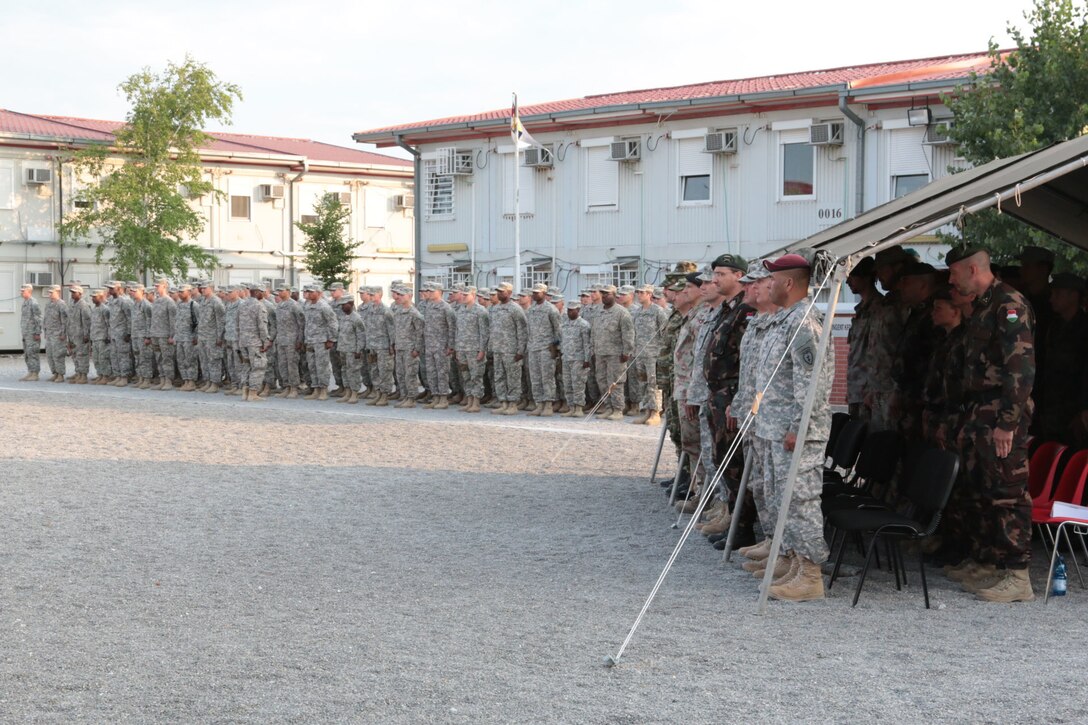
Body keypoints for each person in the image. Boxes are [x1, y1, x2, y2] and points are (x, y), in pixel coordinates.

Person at [946, 245, 1036, 603]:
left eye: (953, 272)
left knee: (1008, 491)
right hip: (980, 411)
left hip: (1001, 414)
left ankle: (1017, 574)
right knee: (983, 488)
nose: (949, 279)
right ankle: (990, 561)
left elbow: (1021, 367)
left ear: (971, 270)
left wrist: (1008, 422)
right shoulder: (984, 305)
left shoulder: (1009, 305)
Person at [753, 253, 833, 602]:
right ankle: (792, 561)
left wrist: (797, 427)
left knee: (800, 501)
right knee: (780, 498)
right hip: (775, 427)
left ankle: (811, 575)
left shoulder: (804, 324)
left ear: (788, 283)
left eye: (771, 279)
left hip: (796, 430)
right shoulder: (787, 320)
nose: (766, 285)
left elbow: (812, 383)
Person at [700, 254, 754, 544]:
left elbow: (747, 362)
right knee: (723, 458)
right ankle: (734, 521)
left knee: (735, 463)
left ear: (738, 276)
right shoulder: (727, 310)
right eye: (715, 273)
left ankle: (743, 528)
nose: (715, 279)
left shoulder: (745, 311)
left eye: (721, 274)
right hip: (717, 396)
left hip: (731, 397)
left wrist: (738, 399)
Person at [590, 284, 634, 421]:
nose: (604, 296)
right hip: (600, 352)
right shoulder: (597, 311)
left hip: (616, 354)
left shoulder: (622, 312)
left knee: (615, 382)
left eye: (607, 294)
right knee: (602, 381)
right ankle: (608, 407)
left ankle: (618, 409)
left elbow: (628, 333)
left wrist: (627, 351)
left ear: (614, 295)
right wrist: (593, 349)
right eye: (602, 293)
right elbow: (593, 332)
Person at [844, 257, 879, 420]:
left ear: (866, 277)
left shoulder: (879, 308)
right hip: (857, 390)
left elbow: (879, 353)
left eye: (853, 276)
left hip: (869, 392)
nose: (848, 282)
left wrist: (872, 389)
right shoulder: (861, 309)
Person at [631, 283, 669, 425]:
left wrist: (662, 351)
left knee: (654, 383)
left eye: (642, 292)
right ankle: (646, 410)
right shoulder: (637, 312)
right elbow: (634, 333)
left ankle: (656, 412)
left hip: (654, 354)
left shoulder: (658, 311)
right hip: (640, 353)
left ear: (649, 294)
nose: (639, 295)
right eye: (638, 292)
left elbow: (665, 333)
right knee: (643, 382)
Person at [488, 282, 528, 416]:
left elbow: (522, 331)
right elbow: (492, 329)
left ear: (509, 293)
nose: (499, 294)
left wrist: (520, 351)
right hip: (498, 349)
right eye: (498, 291)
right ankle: (503, 402)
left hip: (511, 350)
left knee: (513, 378)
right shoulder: (495, 309)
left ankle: (513, 404)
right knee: (499, 377)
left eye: (502, 291)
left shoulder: (515, 309)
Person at [525, 282, 562, 417]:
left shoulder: (551, 309)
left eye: (537, 292)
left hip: (546, 348)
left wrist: (557, 349)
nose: (534, 295)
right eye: (533, 292)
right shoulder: (531, 309)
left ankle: (548, 405)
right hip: (533, 348)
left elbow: (558, 331)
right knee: (535, 378)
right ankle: (539, 404)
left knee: (547, 378)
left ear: (544, 294)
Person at [454, 286, 490, 413]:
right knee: (466, 375)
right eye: (462, 294)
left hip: (474, 349)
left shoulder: (481, 311)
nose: (463, 297)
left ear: (473, 295)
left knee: (476, 376)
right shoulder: (460, 310)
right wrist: (457, 349)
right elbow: (457, 331)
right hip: (462, 349)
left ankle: (476, 402)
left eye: (466, 295)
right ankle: (469, 400)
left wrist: (482, 350)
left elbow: (484, 333)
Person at [421, 281, 456, 409]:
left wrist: (450, 346)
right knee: (431, 372)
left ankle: (443, 398)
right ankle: (435, 397)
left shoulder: (445, 307)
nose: (428, 293)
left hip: (441, 346)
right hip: (429, 345)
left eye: (432, 291)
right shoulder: (428, 306)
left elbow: (452, 328)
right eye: (428, 291)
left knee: (442, 373)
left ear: (439, 292)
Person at [303, 284, 338, 401]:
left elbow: (332, 323)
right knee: (312, 365)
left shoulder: (324, 306)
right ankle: (316, 388)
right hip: (310, 340)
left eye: (312, 292)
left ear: (319, 293)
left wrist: (331, 339)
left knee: (321, 366)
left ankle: (323, 389)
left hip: (321, 340)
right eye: (308, 292)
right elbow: (307, 324)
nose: (309, 294)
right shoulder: (307, 306)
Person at [236, 282, 271, 401]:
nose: (264, 294)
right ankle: (253, 393)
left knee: (246, 366)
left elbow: (237, 325)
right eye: (262, 292)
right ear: (257, 292)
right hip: (255, 342)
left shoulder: (242, 304)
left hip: (243, 341)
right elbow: (262, 326)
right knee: (258, 366)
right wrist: (265, 342)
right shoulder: (259, 306)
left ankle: (245, 391)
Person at [391, 285, 424, 408]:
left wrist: (417, 349)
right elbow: (396, 330)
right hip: (400, 347)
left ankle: (411, 398)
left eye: (401, 295)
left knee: (410, 374)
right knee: (400, 373)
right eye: (397, 294)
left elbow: (420, 333)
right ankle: (404, 396)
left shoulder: (414, 313)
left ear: (409, 296)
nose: (398, 297)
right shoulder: (398, 311)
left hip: (410, 349)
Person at [363, 286, 396, 406]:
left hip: (384, 346)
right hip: (372, 346)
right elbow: (367, 328)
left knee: (384, 371)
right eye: (370, 295)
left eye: (373, 295)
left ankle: (385, 395)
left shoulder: (386, 311)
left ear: (380, 295)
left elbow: (392, 330)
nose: (371, 297)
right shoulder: (369, 309)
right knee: (374, 370)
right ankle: (377, 393)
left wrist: (392, 345)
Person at [560, 301, 592, 418]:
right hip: (566, 358)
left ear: (578, 310)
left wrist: (586, 360)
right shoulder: (564, 324)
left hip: (579, 359)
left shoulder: (584, 325)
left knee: (578, 384)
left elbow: (587, 344)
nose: (570, 312)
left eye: (572, 310)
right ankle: (571, 407)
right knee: (567, 384)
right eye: (568, 310)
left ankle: (578, 408)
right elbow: (562, 341)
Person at [274, 284, 305, 399]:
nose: (279, 293)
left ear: (288, 291)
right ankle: (286, 387)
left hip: (292, 340)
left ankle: (294, 388)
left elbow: (301, 324)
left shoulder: (294, 305)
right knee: (282, 364)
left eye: (282, 291)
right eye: (279, 291)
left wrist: (300, 340)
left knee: (292, 364)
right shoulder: (279, 305)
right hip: (281, 339)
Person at [336, 297, 366, 404]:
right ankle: (347, 391)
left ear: (351, 304)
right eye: (341, 305)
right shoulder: (343, 317)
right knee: (344, 371)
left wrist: (359, 350)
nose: (343, 307)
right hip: (343, 349)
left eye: (344, 304)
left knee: (353, 371)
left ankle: (354, 393)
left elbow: (361, 335)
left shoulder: (357, 318)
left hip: (353, 350)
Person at [150, 278, 177, 391]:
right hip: (156, 334)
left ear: (164, 286)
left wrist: (172, 335)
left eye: (158, 286)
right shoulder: (156, 301)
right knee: (159, 358)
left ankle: (168, 380)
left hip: (165, 335)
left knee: (167, 359)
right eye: (155, 286)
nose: (156, 288)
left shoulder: (169, 302)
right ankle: (162, 379)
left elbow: (173, 320)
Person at [172, 284, 199, 391]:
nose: (180, 294)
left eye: (182, 292)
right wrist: (175, 336)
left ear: (189, 292)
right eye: (179, 292)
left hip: (189, 337)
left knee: (190, 360)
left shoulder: (194, 305)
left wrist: (196, 336)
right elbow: (177, 321)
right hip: (179, 337)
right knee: (181, 360)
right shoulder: (179, 304)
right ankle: (185, 380)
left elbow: (198, 322)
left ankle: (191, 381)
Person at [65, 284, 92, 383]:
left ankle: (83, 376)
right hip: (73, 335)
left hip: (81, 335)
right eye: (71, 292)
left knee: (82, 355)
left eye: (74, 292)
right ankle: (78, 373)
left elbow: (87, 321)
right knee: (75, 355)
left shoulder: (83, 305)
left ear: (80, 293)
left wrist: (86, 335)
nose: (72, 294)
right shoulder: (72, 304)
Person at [129, 283, 154, 389]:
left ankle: (147, 379)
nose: (133, 293)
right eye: (132, 291)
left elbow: (150, 321)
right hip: (135, 335)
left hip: (143, 336)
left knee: (145, 358)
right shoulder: (134, 304)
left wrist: (148, 337)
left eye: (135, 291)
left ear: (142, 292)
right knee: (138, 357)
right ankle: (140, 378)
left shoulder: (146, 305)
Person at [42, 284, 68, 382]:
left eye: (51, 292)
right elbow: (46, 319)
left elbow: (65, 321)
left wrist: (63, 333)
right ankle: (55, 373)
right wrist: (45, 331)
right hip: (49, 334)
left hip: (58, 334)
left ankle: (60, 374)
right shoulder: (48, 304)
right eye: (49, 292)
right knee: (50, 354)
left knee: (58, 355)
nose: (49, 294)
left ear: (58, 292)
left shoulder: (62, 304)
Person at [19, 283, 42, 381]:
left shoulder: (33, 303)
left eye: (23, 291)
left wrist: (37, 332)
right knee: (27, 353)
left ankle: (35, 373)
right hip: (26, 333)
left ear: (29, 291)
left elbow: (38, 318)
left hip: (32, 333)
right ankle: (30, 371)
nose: (21, 292)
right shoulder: (25, 302)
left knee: (33, 353)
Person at [89, 288, 112, 383]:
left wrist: (108, 336)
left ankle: (106, 376)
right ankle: (100, 375)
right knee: (96, 359)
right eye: (92, 297)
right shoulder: (94, 309)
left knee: (103, 358)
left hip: (103, 338)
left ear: (101, 297)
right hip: (95, 337)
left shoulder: (105, 309)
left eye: (95, 297)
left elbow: (108, 324)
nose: (93, 299)